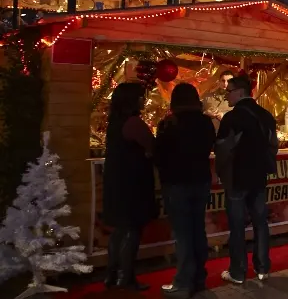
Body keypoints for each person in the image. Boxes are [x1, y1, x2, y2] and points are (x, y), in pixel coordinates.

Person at [154, 83, 216, 298]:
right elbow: (211, 146)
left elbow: (158, 154)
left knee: (183, 234)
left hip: (177, 182)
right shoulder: (206, 123)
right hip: (200, 180)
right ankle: (199, 277)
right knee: (198, 229)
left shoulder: (169, 124)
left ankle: (183, 282)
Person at [215, 76, 278, 285]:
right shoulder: (266, 115)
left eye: (229, 91)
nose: (226, 95)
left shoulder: (231, 119)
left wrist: (221, 172)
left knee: (237, 225)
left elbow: (223, 150)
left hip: (237, 177)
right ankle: (262, 269)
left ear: (240, 92)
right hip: (259, 177)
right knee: (260, 222)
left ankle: (238, 272)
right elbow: (273, 145)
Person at [102, 82, 156, 291]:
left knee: (119, 231)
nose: (144, 100)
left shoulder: (115, 122)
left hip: (117, 182)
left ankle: (112, 275)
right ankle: (126, 278)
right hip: (132, 184)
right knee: (131, 230)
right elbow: (152, 145)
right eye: (141, 97)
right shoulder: (134, 122)